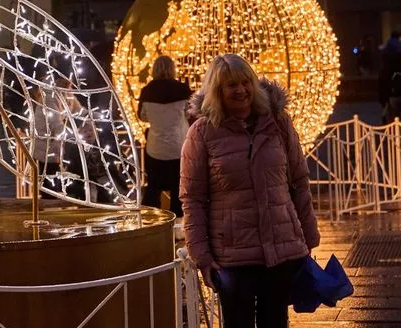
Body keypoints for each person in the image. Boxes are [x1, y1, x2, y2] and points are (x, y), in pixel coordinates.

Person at [180, 54, 320, 328]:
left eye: (246, 82)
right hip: (233, 254)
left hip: (280, 246)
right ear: (217, 91)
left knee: (275, 320)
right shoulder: (202, 133)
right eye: (231, 85)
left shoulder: (277, 122)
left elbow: (299, 181)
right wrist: (202, 256)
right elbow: (192, 199)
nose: (241, 90)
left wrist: (309, 236)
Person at [137, 55, 191, 225]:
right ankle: (178, 226)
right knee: (178, 187)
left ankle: (150, 221)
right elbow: (190, 112)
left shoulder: (147, 91)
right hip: (179, 146)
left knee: (153, 187)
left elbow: (142, 116)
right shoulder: (183, 90)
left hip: (156, 148)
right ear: (172, 69)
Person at [378, 34, 401, 125]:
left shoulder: (386, 51)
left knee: (394, 116)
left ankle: (395, 134)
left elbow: (383, 80)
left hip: (393, 94)